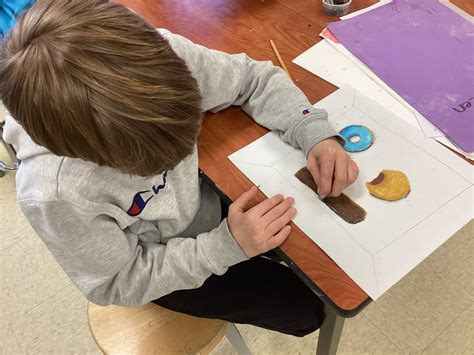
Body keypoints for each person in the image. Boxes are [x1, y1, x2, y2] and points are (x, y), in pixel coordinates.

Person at [0, 0, 359, 336]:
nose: (179, 158)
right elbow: (115, 281)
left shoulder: (163, 57)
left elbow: (253, 80)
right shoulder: (54, 192)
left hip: (207, 206)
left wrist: (314, 134)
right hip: (159, 262)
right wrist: (225, 247)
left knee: (327, 256)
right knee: (309, 309)